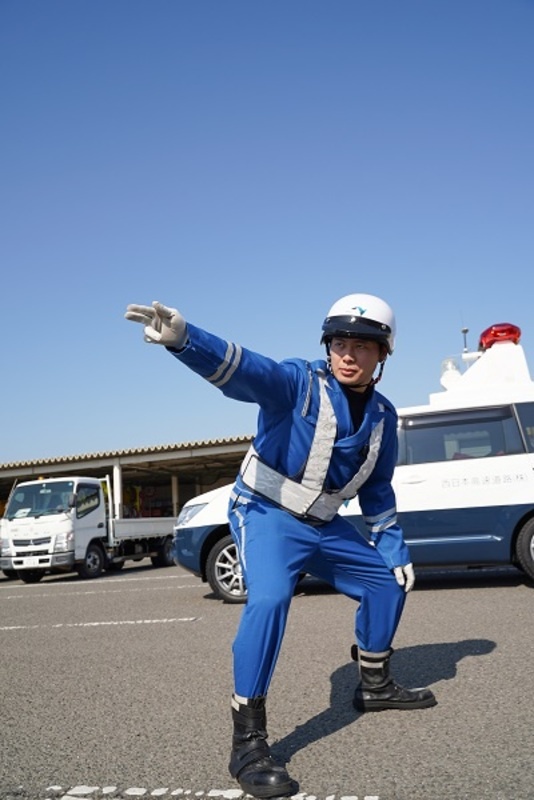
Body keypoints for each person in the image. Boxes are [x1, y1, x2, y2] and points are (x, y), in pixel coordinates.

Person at [125, 293, 436, 798]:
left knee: (387, 584)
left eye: (363, 344)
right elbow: (248, 371)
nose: (348, 353)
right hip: (265, 513)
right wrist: (186, 340)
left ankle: (375, 686)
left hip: (324, 523)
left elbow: (377, 488)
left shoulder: (383, 416)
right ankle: (247, 742)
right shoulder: (299, 382)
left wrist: (393, 544)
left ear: (384, 354)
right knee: (269, 599)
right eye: (339, 342)